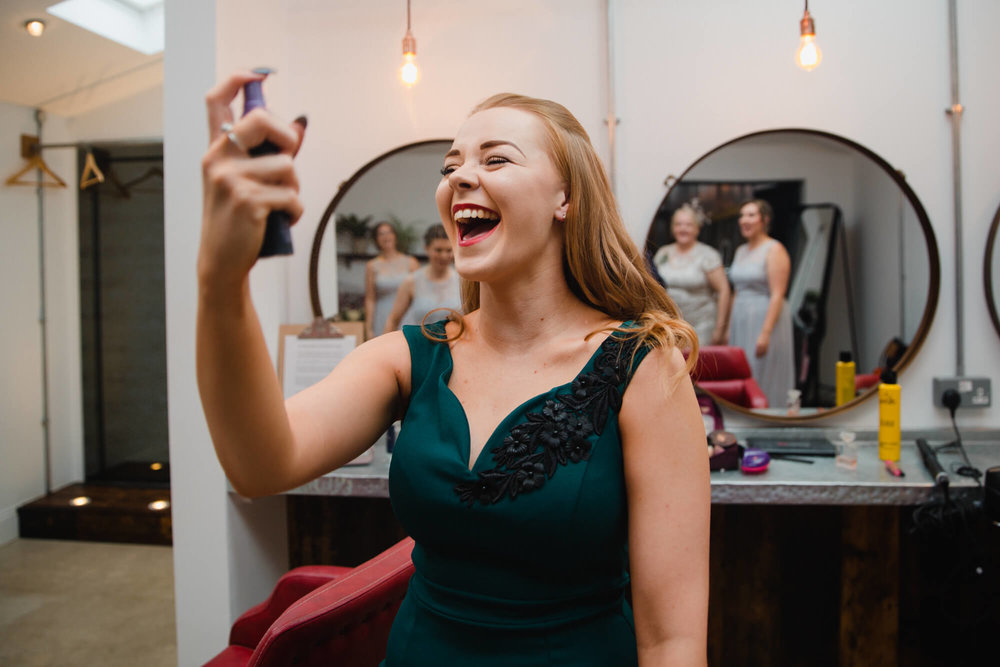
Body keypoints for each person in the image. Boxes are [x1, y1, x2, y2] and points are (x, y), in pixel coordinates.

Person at [198, 71, 709, 666]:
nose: (460, 176)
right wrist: (220, 279)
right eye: (450, 166)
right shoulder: (408, 358)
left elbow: (672, 642)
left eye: (497, 160)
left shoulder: (642, 368)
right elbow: (261, 462)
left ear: (564, 198)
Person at [726, 199, 795, 408]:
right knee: (742, 370)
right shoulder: (740, 251)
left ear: (764, 220)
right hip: (741, 316)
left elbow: (777, 293)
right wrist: (729, 327)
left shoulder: (774, 250)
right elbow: (736, 291)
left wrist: (765, 333)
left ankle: (769, 415)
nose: (744, 220)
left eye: (750, 215)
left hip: (765, 316)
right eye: (741, 215)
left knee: (764, 369)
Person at [652, 202, 731, 345]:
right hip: (671, 325)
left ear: (697, 229)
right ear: (672, 228)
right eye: (678, 224)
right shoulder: (663, 253)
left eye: (688, 225)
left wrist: (720, 328)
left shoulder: (708, 255)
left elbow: (724, 290)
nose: (683, 229)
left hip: (702, 325)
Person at [383, 224, 462, 332]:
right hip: (421, 345)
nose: (444, 256)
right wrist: (387, 347)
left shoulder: (462, 280)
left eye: (448, 250)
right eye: (438, 250)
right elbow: (393, 320)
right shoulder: (411, 281)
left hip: (456, 345)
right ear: (426, 249)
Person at [365, 221, 420, 340]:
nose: (386, 237)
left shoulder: (411, 262)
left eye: (389, 232)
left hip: (407, 315)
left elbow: (419, 295)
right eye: (381, 234)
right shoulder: (372, 265)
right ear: (376, 239)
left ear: (395, 236)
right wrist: (369, 328)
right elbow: (370, 298)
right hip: (381, 315)